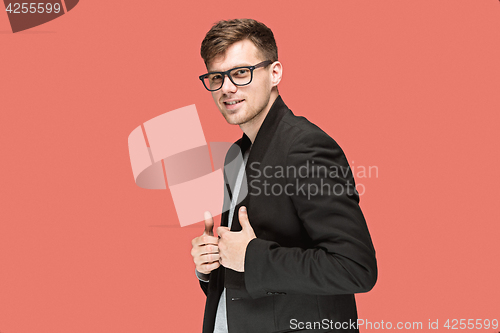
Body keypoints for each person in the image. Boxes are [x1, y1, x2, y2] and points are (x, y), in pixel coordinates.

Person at [190, 19, 377, 333]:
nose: (227, 88)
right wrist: (211, 264)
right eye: (216, 77)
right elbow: (248, 272)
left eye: (240, 72)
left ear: (274, 73)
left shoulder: (305, 147)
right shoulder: (235, 155)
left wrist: (250, 256)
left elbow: (354, 267)